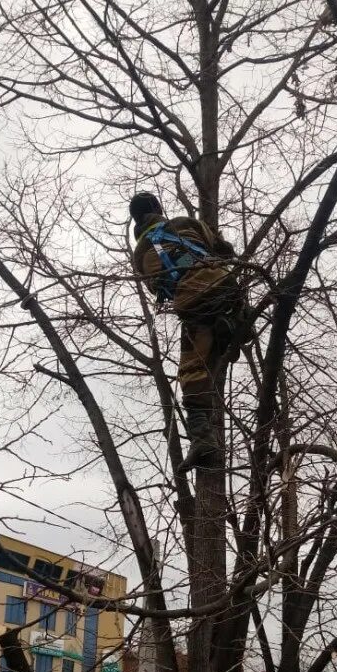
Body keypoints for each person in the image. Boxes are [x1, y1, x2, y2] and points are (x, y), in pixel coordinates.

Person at [130, 191, 247, 473]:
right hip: (221, 284)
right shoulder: (183, 222)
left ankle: (202, 438)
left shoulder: (139, 254)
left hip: (191, 302)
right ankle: (234, 326)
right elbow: (223, 250)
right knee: (237, 302)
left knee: (192, 370)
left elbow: (157, 288)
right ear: (158, 208)